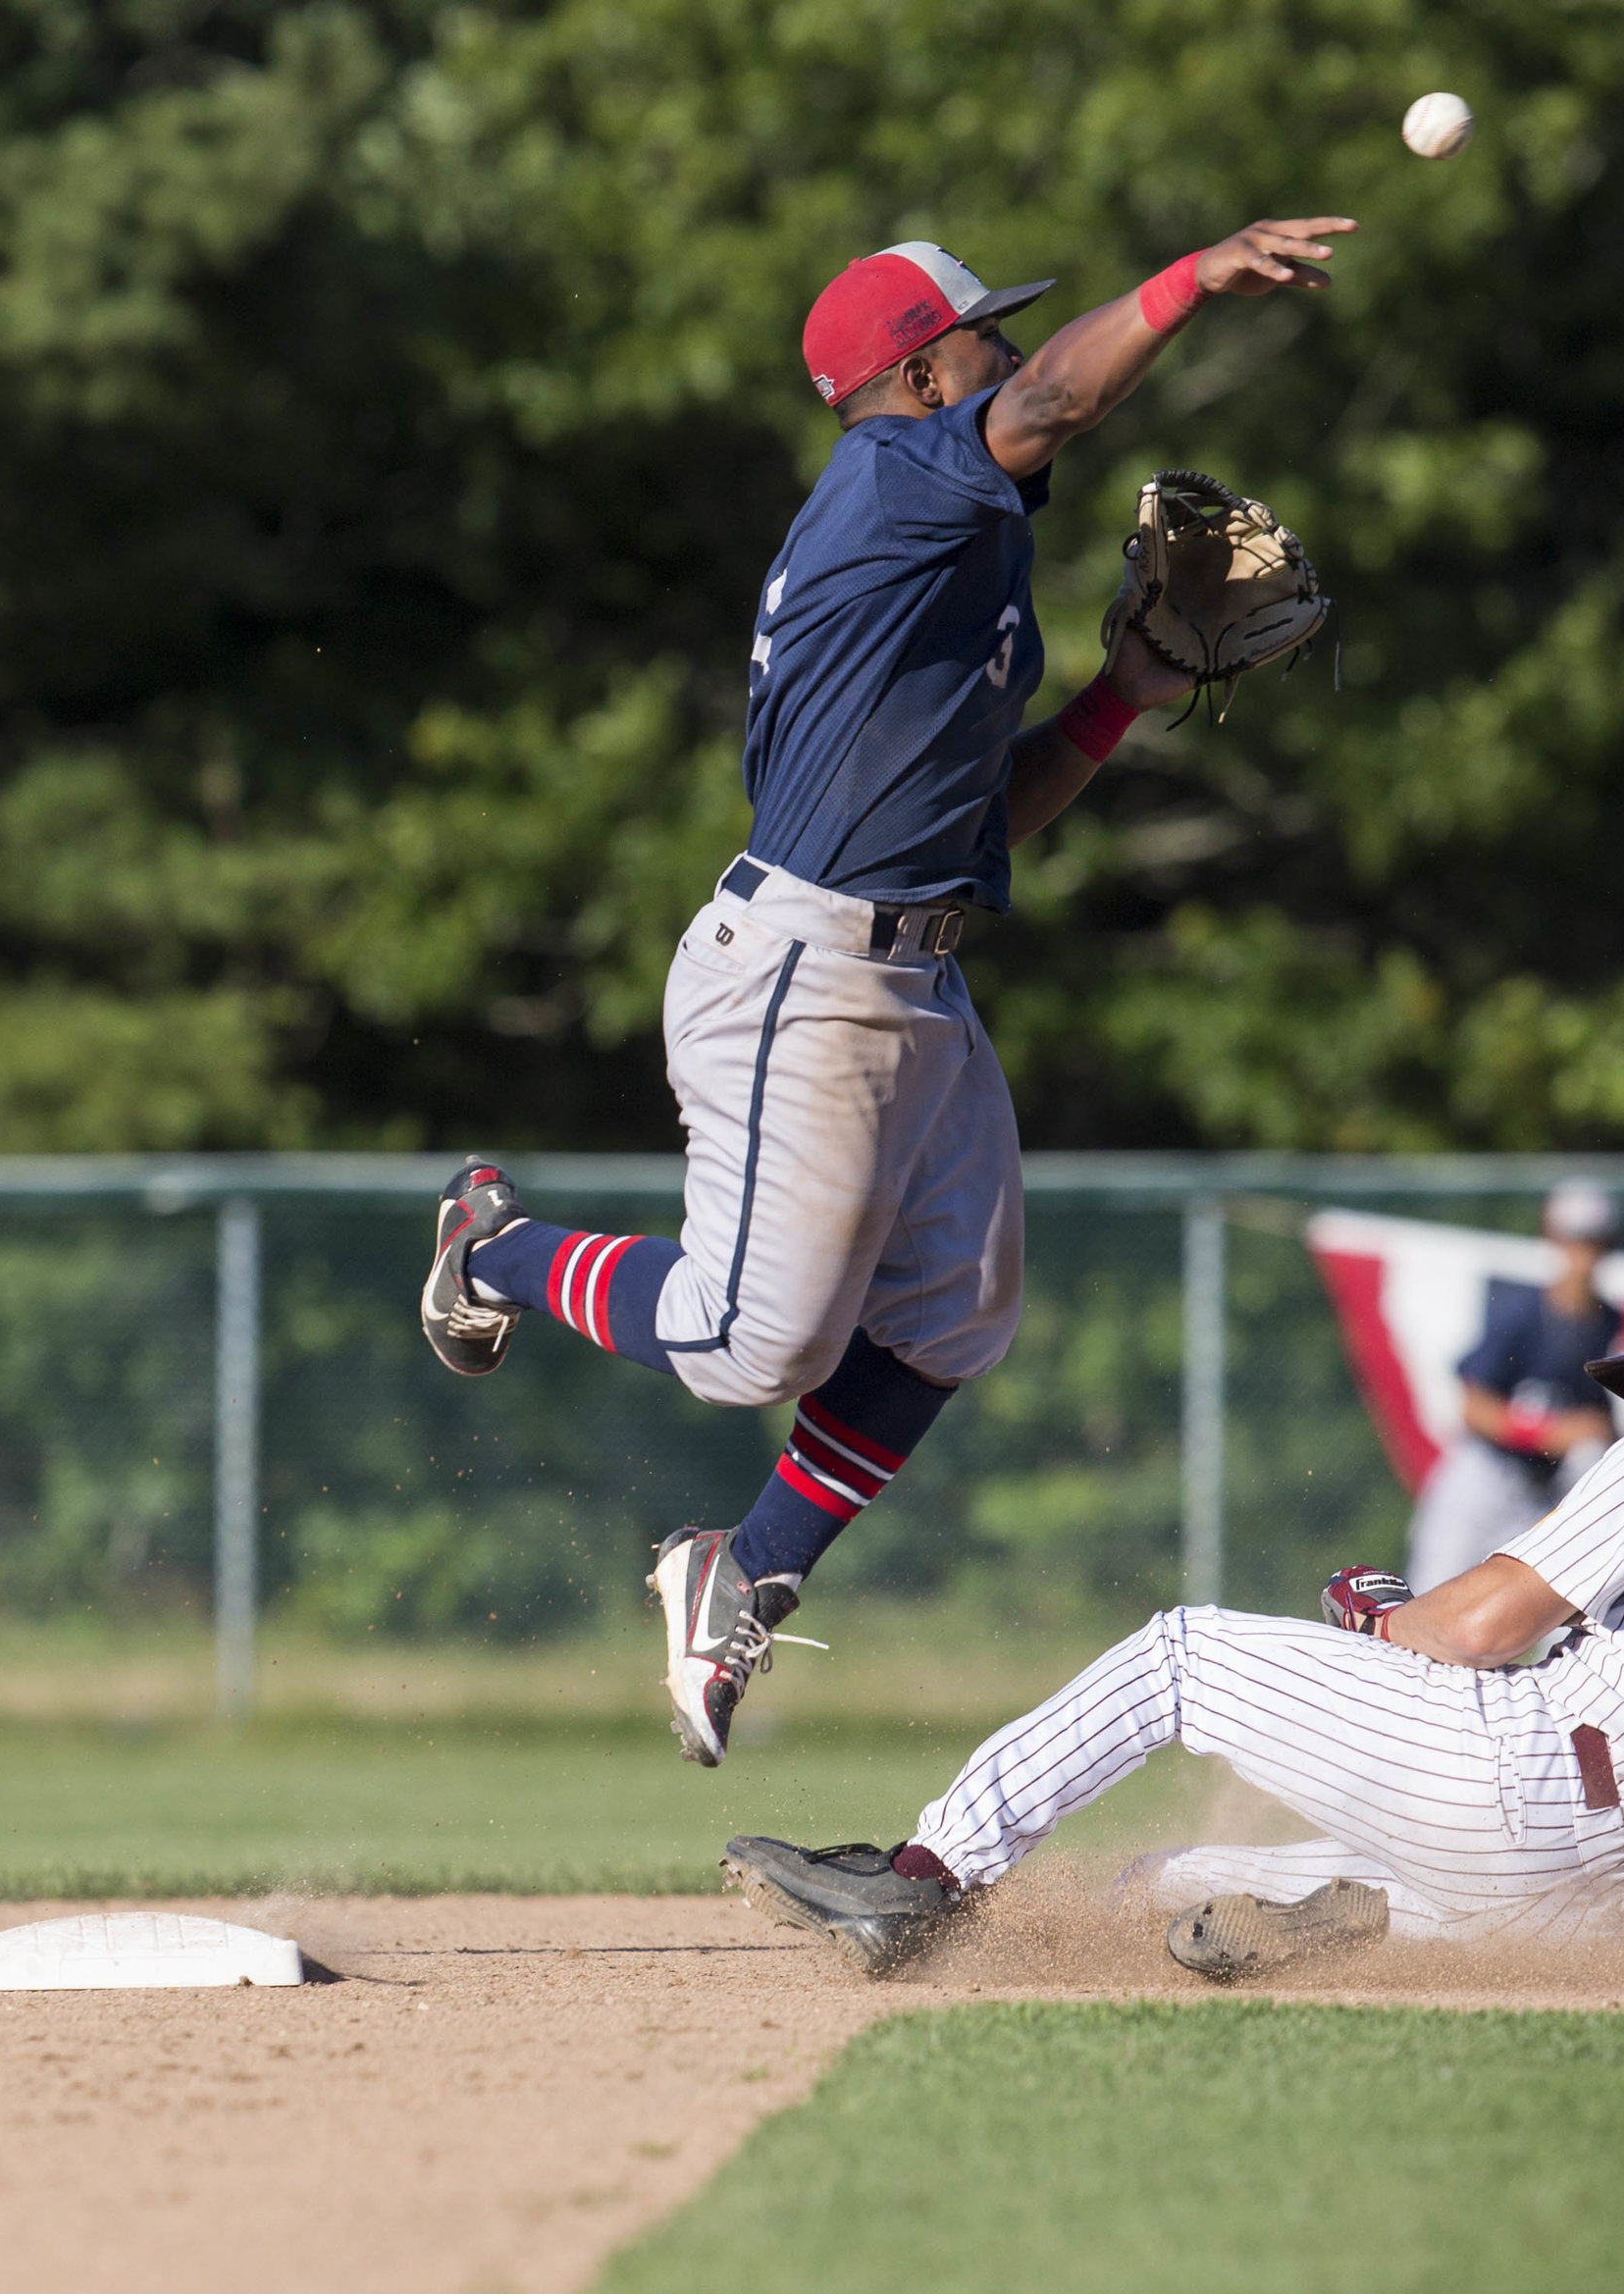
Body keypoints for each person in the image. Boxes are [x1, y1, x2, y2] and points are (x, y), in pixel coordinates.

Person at [416, 220, 1356, 1767]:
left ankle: (748, 1568)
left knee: (949, 1316)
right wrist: (1190, 280)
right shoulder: (889, 482)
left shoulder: (951, 553)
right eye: (979, 337)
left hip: (915, 979)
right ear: (920, 371)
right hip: (803, 967)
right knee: (743, 1347)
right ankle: (496, 1247)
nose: (1001, 353)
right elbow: (1055, 403)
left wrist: (1123, 696)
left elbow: (989, 812)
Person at [721, 1273, 1624, 1982]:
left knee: (1181, 1648)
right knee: (1163, 1882)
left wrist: (1386, 1613)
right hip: (1605, 1912)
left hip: (1517, 1780)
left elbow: (1465, 1635)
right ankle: (1355, 1912)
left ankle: (923, 1877)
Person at [1404, 1178, 1624, 1593]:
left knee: (1561, 1613)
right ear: (1553, 1238)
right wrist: (1549, 1433)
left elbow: (1599, 1416)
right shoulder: (1522, 1311)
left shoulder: (1608, 1322)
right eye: (1574, 1239)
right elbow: (1473, 1407)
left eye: (1594, 1241)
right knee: (1426, 1598)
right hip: (1484, 1479)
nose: (1583, 1253)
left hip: (1543, 1492)